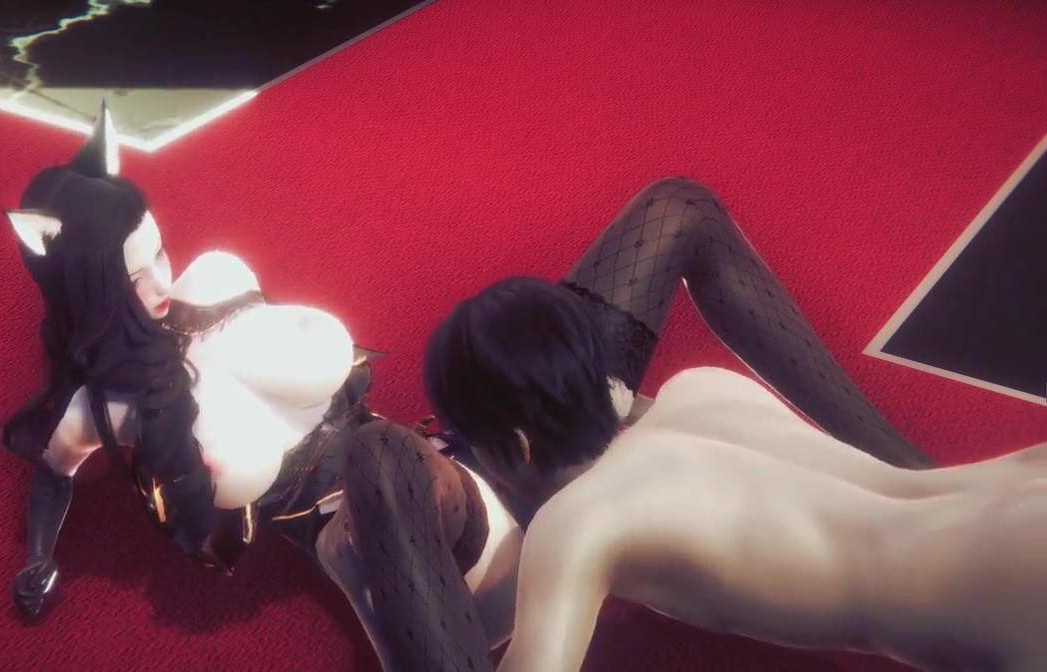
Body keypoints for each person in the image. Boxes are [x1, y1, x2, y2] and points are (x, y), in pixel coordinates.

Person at [426, 282, 1047, 670]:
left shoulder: (577, 522)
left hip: (1009, 601)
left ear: (514, 447)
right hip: (1017, 489)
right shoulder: (702, 386)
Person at [0, 103, 215, 616]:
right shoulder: (91, 411)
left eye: (160, 254)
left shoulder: (191, 301)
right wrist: (37, 556)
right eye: (136, 278)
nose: (163, 285)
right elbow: (54, 475)